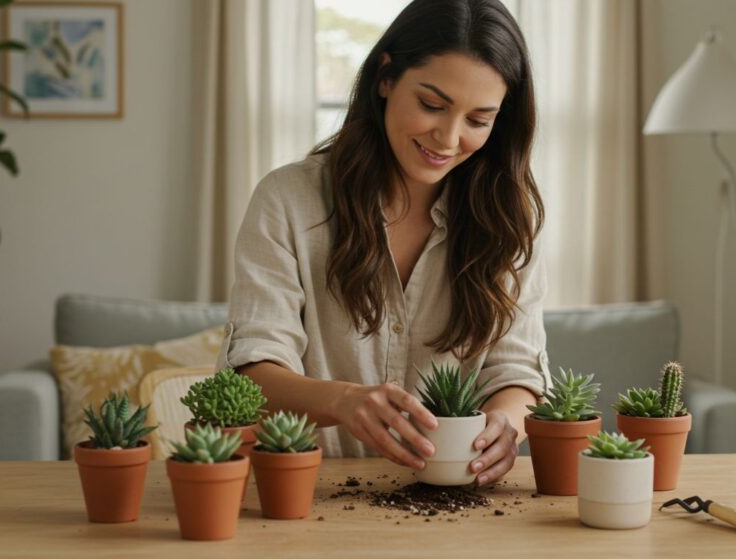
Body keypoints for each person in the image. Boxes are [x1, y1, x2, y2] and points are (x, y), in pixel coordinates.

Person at [216, 0, 548, 487]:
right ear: (386, 77)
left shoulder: (510, 218)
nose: (449, 137)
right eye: (432, 105)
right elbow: (254, 368)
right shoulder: (288, 199)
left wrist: (507, 423)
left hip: (459, 503)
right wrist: (344, 400)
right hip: (307, 495)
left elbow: (516, 370)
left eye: (478, 120)